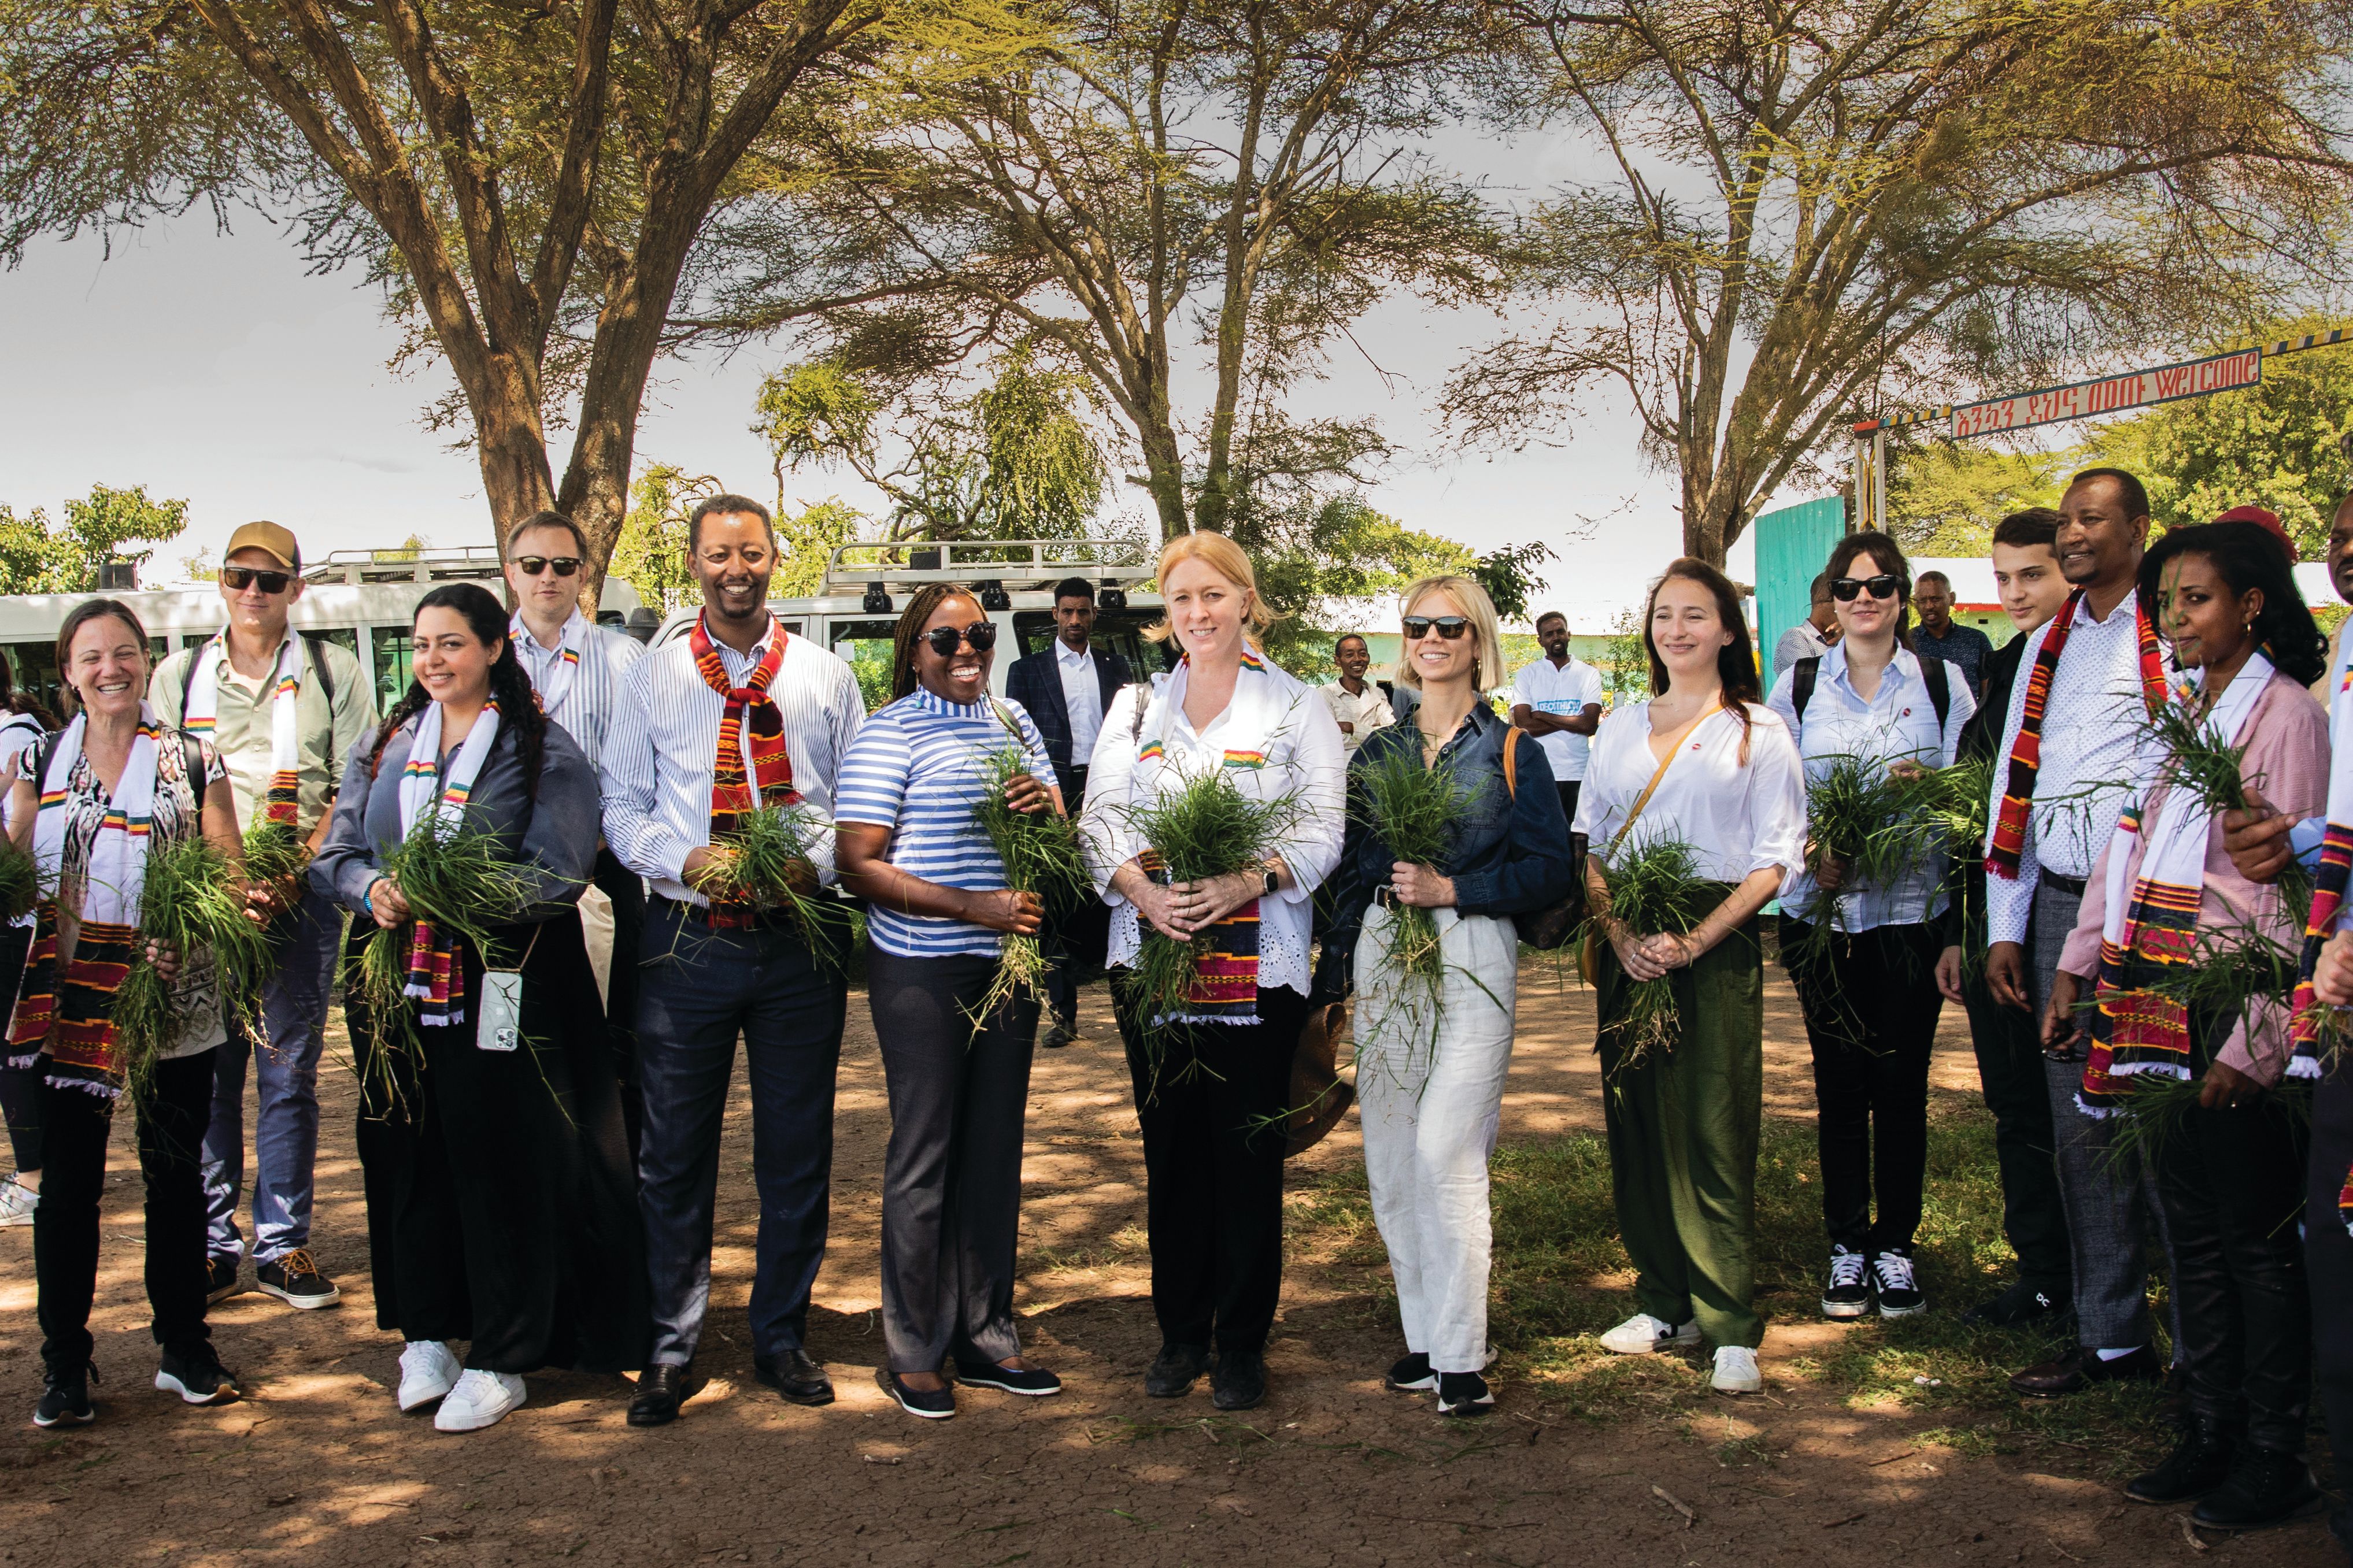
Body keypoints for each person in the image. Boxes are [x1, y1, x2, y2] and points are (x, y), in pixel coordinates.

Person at [2045, 522, 2326, 1526]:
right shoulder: (2181, 714)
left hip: (2232, 1001)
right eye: (2167, 601)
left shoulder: (2286, 716)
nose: (2176, 617)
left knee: (2254, 1236)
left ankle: (2274, 1450)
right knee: (2193, 1231)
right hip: (2154, 995)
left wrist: (2260, 1039)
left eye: (2196, 598)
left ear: (2251, 603)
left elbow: (2294, 894)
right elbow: (2126, 845)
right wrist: (2078, 963)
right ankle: (2208, 1426)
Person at [313, 582, 643, 1432]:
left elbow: (559, 871)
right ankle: (427, 1330)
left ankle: (504, 1350)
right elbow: (338, 851)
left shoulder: (543, 752)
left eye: (452, 642)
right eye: (422, 643)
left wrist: (456, 896)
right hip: (396, 975)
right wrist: (374, 888)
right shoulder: (386, 744)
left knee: (501, 1155)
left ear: (495, 649)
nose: (433, 659)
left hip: (504, 975)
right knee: (406, 1148)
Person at [602, 493, 865, 1427]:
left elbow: (857, 805)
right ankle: (670, 1345)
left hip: (799, 940)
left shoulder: (826, 676)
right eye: (718, 554)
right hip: (686, 944)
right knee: (674, 1152)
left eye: (750, 552)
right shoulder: (653, 676)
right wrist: (685, 859)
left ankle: (781, 1334)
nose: (735, 570)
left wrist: (815, 862)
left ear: (774, 559)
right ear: (694, 563)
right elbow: (622, 805)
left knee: (795, 1149)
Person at [1081, 532, 1345, 1413]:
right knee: (1171, 1150)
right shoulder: (1134, 708)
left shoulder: (1295, 704)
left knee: (1246, 1151)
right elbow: (1099, 819)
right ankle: (1180, 1332)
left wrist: (1243, 881)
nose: (1198, 613)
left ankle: (1241, 1343)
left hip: (1258, 963)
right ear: (1167, 612)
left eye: (1214, 595)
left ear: (1246, 601)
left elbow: (1322, 829)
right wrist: (1141, 893)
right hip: (1151, 956)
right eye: (1182, 598)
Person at [1325, 576, 1574, 1418]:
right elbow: (1349, 875)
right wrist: (1334, 982)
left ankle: (1463, 1354)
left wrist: (1455, 888)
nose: (1431, 638)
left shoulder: (1512, 750)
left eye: (1450, 626)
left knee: (1445, 1150)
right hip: (1385, 951)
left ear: (1477, 642)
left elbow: (1549, 870)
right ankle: (1427, 1337)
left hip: (1473, 949)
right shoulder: (1376, 755)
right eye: (1417, 625)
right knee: (1393, 1161)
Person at [836, 584, 1068, 1419]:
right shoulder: (888, 730)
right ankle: (913, 1348)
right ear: (914, 650)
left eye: (977, 634)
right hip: (921, 971)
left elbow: (1061, 836)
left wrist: (1045, 810)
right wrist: (972, 906)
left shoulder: (1015, 721)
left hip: (1007, 964)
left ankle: (986, 1335)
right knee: (926, 1151)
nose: (966, 650)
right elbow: (857, 863)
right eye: (945, 639)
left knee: (994, 1148)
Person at [15, 599, 247, 1425]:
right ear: (68, 672)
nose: (109, 669)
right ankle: (65, 1364)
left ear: (146, 661)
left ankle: (184, 1346)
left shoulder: (194, 760)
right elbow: (14, 873)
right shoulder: (38, 760)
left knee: (174, 1177)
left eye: (123, 653)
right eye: (91, 657)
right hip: (69, 1003)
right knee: (68, 1187)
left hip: (172, 997)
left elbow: (229, 874)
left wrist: (185, 933)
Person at [1578, 559, 1806, 1395]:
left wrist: (1697, 940)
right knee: (1635, 1119)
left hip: (1714, 942)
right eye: (1663, 615)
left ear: (1727, 631)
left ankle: (1728, 1320)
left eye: (1694, 615)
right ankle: (1662, 1299)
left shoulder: (1758, 730)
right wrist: (1620, 934)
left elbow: (1775, 859)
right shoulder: (1617, 726)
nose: (1675, 630)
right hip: (1630, 942)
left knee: (1712, 1123)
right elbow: (1592, 847)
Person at [1983, 468, 2174, 1398]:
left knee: (2163, 1122)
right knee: (2080, 1129)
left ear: (2137, 529)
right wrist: (2005, 924)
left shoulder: (2167, 632)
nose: (2071, 533)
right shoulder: (2046, 643)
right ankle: (2111, 1337)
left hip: (2153, 912)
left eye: (2091, 518)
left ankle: (2205, 1347)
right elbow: (2013, 783)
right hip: (2056, 903)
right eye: (2065, 519)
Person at [150, 520, 375, 1311]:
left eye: (270, 579)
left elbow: (352, 784)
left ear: (296, 589)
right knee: (211, 1074)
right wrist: (226, 881)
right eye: (239, 576)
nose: (253, 591)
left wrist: (291, 872)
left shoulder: (333, 671)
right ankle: (214, 1243)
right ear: (221, 582)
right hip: (210, 902)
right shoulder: (179, 675)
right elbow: (163, 788)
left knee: (288, 1075)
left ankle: (282, 1244)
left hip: (300, 895)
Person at [1768, 534, 1973, 1320]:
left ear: (1900, 597)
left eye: (1880, 585)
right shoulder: (1797, 686)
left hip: (1910, 915)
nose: (1864, 598)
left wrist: (1933, 792)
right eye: (1849, 586)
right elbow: (1772, 796)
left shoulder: (1940, 683)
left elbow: (1971, 801)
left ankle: (1895, 1247)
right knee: (1838, 1082)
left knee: (1900, 1083)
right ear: (1832, 596)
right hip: (1821, 920)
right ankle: (1846, 1244)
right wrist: (1808, 850)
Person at [2226, 487, 2353, 1558]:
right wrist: (2298, 841)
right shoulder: (2350, 653)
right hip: (2338, 988)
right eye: (2342, 535)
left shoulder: (2294, 707)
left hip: (2317, 979)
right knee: (2328, 1243)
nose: (2349, 551)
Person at [1933, 509, 2077, 1328]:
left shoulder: (2090, 663)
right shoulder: (2007, 663)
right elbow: (1977, 816)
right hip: (1990, 917)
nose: (2016, 592)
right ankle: (2042, 1270)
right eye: (2003, 577)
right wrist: (1962, 931)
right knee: (2016, 1103)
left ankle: (2093, 1278)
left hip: (2056, 915)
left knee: (2074, 1106)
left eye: (2033, 574)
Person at [500, 510, 649, 1154]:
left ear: (584, 574)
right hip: (504, 879)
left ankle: (620, 1181)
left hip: (603, 871)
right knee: (509, 1028)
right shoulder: (485, 656)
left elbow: (640, 769)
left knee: (617, 1034)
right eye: (533, 564)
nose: (548, 577)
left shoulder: (623, 658)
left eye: (563, 565)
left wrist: (595, 841)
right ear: (511, 573)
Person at [1004, 576, 1131, 1050]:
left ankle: (1129, 1007)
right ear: (1054, 614)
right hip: (1050, 794)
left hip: (1107, 791)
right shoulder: (1026, 670)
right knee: (1052, 899)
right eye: (1067, 611)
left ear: (1094, 614)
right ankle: (1064, 1015)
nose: (1075, 620)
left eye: (1083, 611)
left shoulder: (1116, 666)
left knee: (1117, 889)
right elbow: (1017, 739)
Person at [0, 651, 57, 1229]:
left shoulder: (15, 739)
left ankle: (32, 1181)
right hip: (17, 921)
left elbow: (16, 846)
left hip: (18, 923)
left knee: (14, 1053)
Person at [1508, 610, 1604, 828]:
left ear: (1569, 635)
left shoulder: (1588, 674)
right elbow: (1525, 726)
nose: (1556, 637)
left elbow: (1589, 725)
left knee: (1577, 836)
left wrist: (1542, 715)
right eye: (1549, 634)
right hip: (1538, 772)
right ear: (1540, 640)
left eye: (1560, 632)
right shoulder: (1527, 675)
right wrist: (1573, 721)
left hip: (1577, 773)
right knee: (1542, 837)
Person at [1910, 569, 1994, 701]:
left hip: (1969, 715)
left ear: (1952, 598)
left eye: (1936, 599)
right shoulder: (1906, 643)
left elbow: (1990, 694)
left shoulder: (1976, 640)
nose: (1929, 606)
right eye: (1922, 600)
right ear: (1915, 603)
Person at [1320, 634, 1395, 754]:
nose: (1357, 659)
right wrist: (1375, 733)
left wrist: (1351, 728)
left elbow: (1392, 733)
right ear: (1338, 661)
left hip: (1376, 764)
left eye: (1362, 654)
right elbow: (1328, 738)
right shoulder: (1326, 694)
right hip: (1340, 765)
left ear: (1368, 658)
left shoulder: (1377, 694)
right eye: (1349, 655)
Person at [1772, 574, 1838, 674]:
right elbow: (1813, 679)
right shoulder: (1795, 638)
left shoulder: (1842, 638)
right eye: (1841, 602)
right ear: (1821, 598)